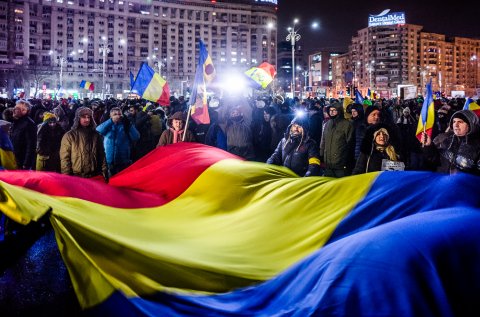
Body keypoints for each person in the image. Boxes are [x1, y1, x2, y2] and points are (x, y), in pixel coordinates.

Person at [420, 109, 480, 175]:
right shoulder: (447, 140)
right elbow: (435, 160)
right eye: (454, 122)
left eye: (460, 122)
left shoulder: (477, 146)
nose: (456, 125)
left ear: (470, 125)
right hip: (443, 183)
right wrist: (429, 146)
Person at [60, 107, 108, 180]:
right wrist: (67, 177)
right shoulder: (69, 136)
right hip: (76, 176)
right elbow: (65, 158)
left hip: (94, 175)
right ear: (78, 118)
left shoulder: (96, 135)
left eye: (89, 117)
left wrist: (104, 172)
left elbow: (101, 155)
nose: (87, 119)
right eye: (84, 117)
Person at [96, 107, 140, 177]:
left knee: (122, 179)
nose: (117, 116)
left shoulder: (126, 125)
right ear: (110, 116)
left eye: (119, 114)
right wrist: (110, 121)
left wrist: (129, 124)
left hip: (123, 159)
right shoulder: (108, 125)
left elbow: (136, 137)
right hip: (109, 158)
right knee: (109, 179)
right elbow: (98, 130)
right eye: (115, 114)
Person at [319, 102, 355, 177]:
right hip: (328, 164)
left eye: (334, 110)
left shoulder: (347, 124)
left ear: (339, 111)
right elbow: (323, 141)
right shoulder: (327, 124)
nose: (331, 112)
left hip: (341, 164)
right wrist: (321, 155)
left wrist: (346, 160)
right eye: (330, 110)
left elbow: (350, 144)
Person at [10, 100, 37, 170]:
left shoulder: (29, 124)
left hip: (21, 162)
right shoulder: (16, 121)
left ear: (24, 111)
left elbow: (31, 145)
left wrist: (26, 164)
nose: (14, 110)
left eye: (17, 109)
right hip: (13, 160)